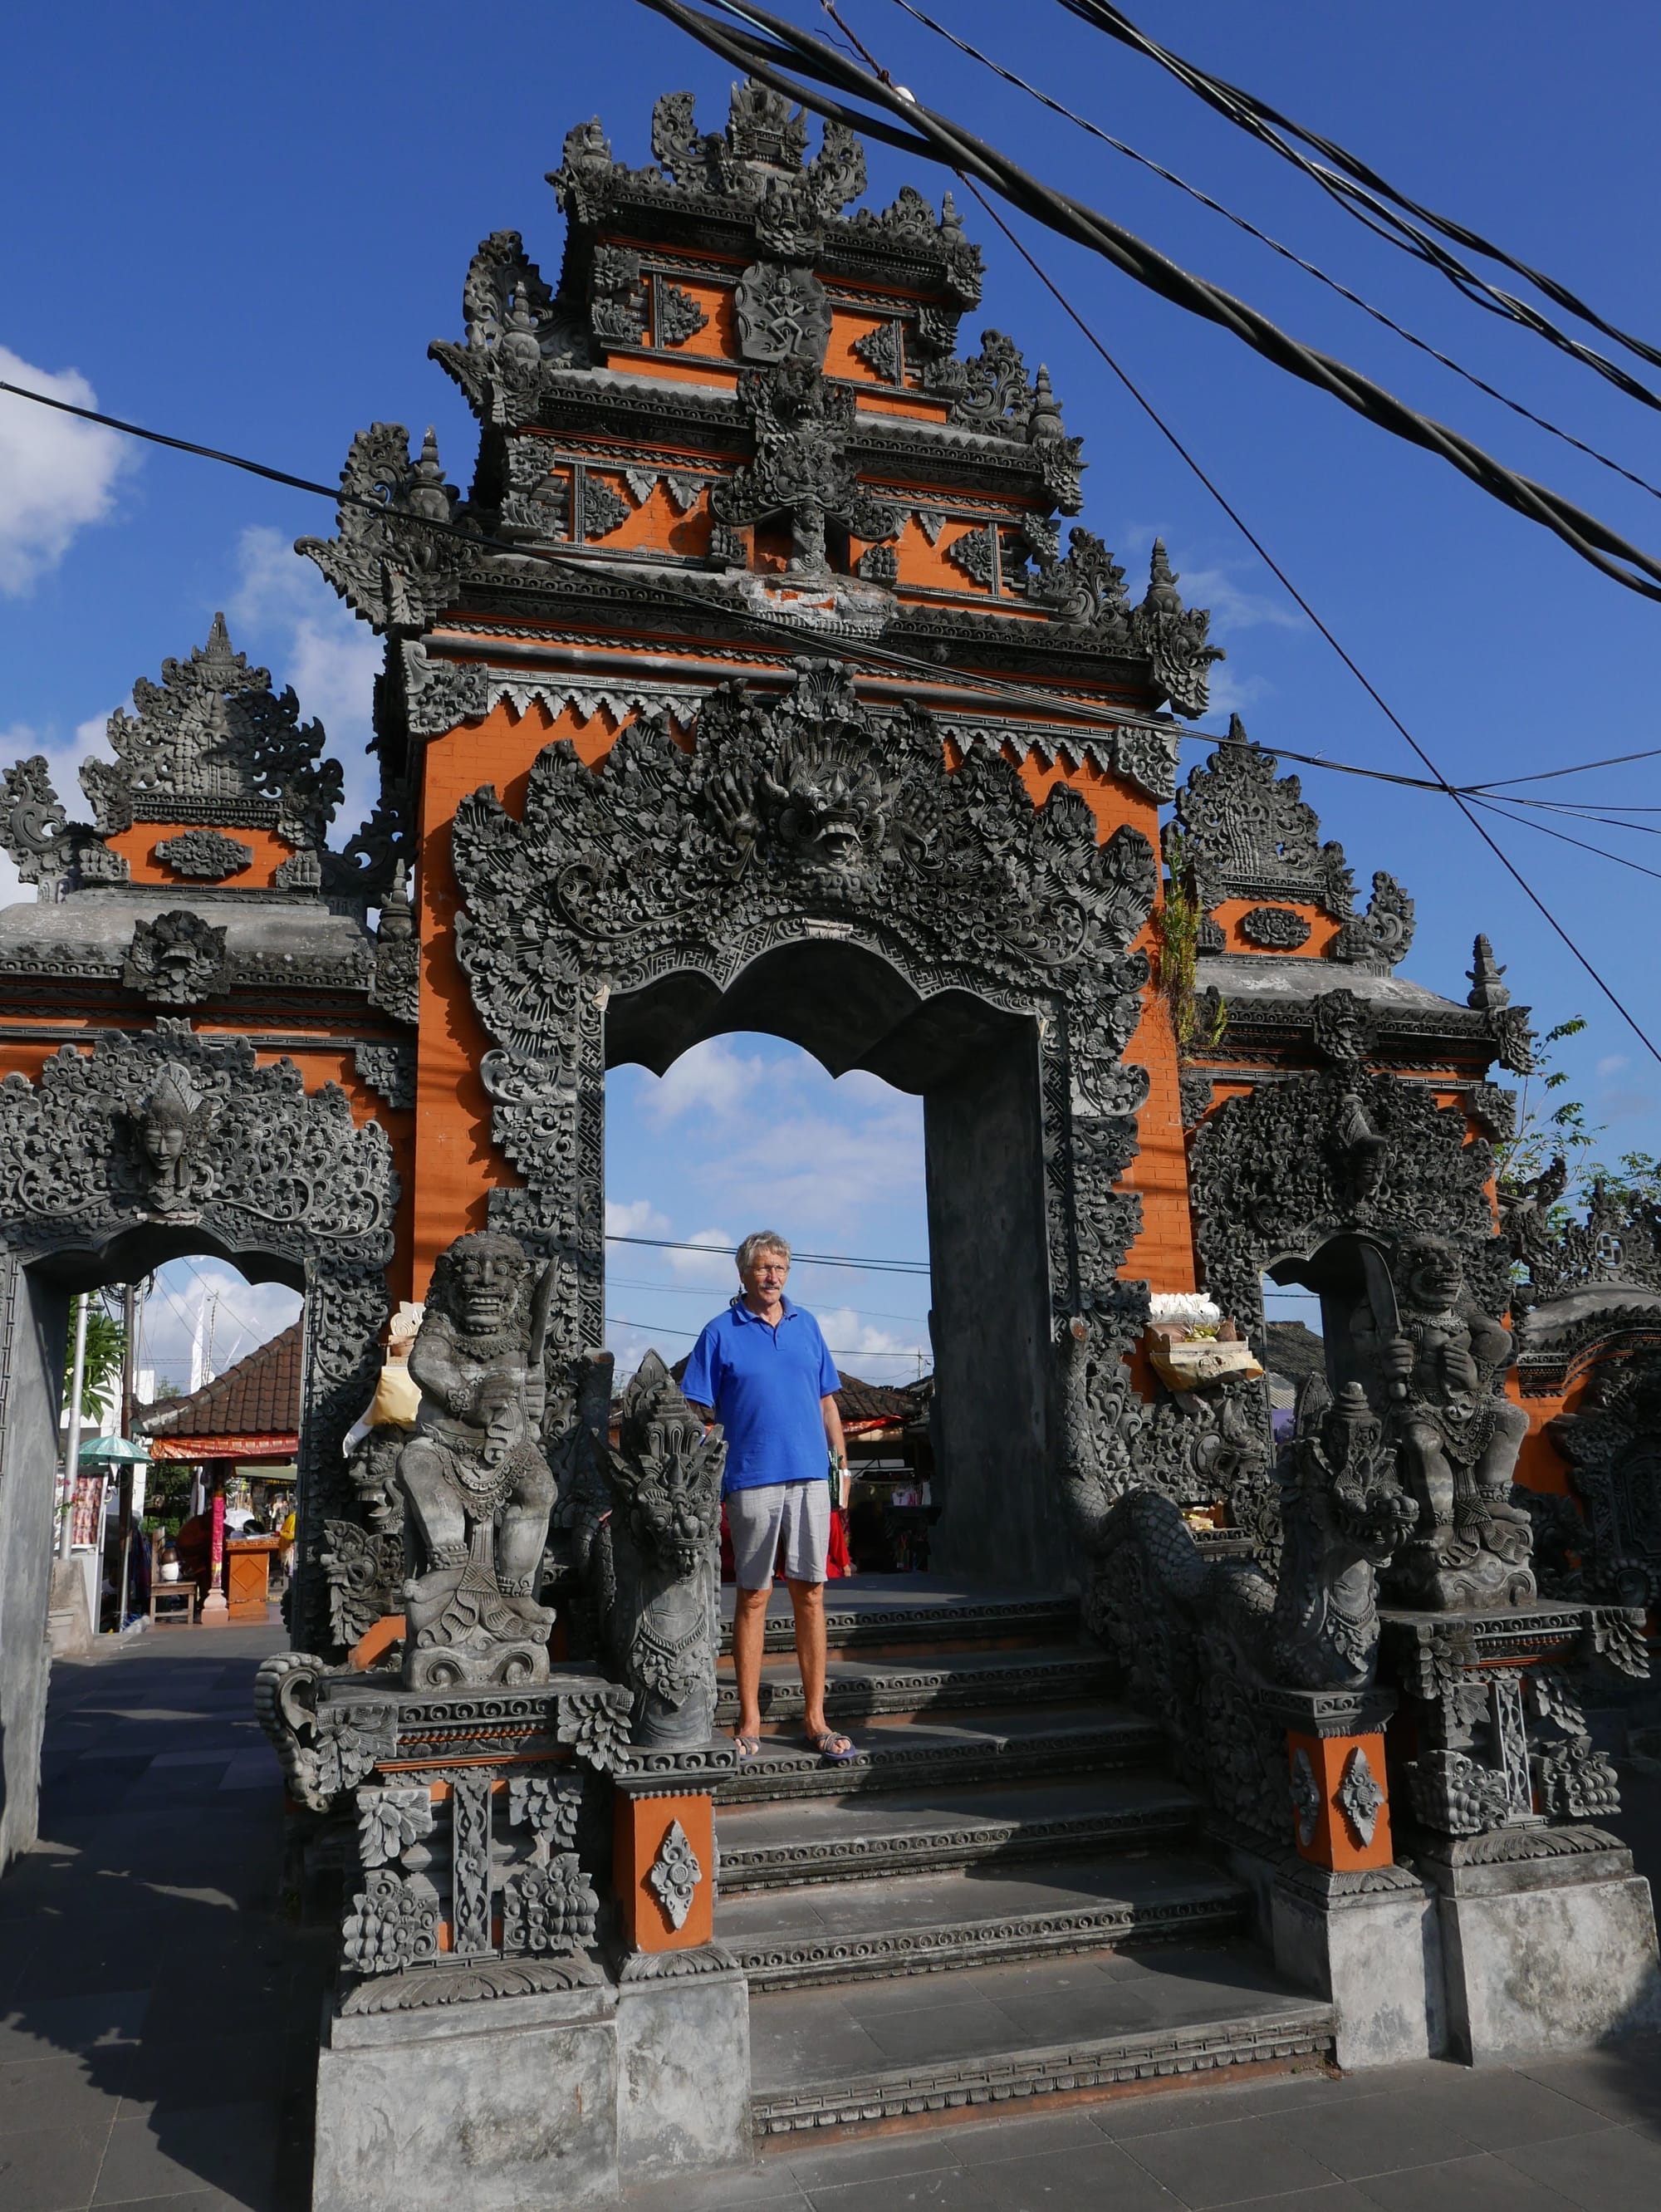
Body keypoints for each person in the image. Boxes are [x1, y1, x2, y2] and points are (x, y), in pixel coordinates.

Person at [682, 1231, 854, 1764]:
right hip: (751, 1477)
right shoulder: (719, 1333)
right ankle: (750, 1719)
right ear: (743, 1274)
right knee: (754, 1595)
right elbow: (695, 1411)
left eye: (780, 1266)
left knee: (811, 1594)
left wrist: (841, 1463)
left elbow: (827, 1401)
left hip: (809, 1478)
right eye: (762, 1267)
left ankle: (816, 1719)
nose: (772, 1276)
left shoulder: (808, 1327)